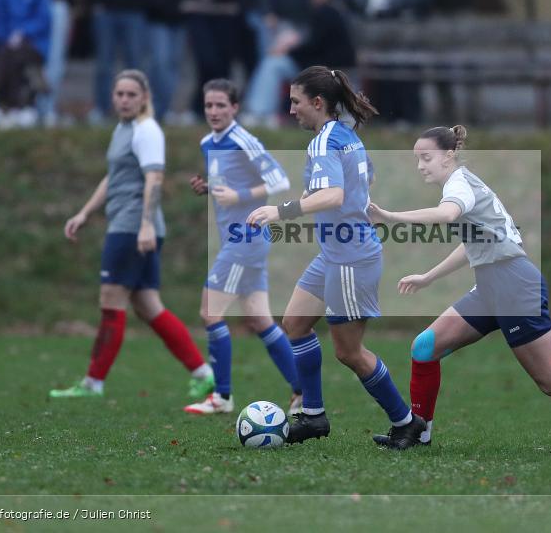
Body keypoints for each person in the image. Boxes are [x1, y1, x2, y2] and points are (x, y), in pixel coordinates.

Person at [366, 126, 551, 450]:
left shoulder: (459, 184)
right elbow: (473, 244)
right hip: (493, 286)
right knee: (424, 348)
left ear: (448, 156)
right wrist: (429, 277)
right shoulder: (462, 184)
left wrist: (390, 215)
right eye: (416, 159)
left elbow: (447, 214)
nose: (420, 165)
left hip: (512, 285)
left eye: (426, 157)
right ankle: (418, 434)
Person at [247, 66, 425, 449]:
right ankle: (313, 416)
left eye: (295, 102)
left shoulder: (324, 141)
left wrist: (280, 211)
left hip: (350, 257)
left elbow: (333, 196)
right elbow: (366, 180)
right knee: (295, 322)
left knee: (348, 351)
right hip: (336, 252)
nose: (291, 108)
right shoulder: (346, 134)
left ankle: (407, 422)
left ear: (316, 102)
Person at [50, 69, 214, 400]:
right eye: (119, 94)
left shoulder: (146, 130)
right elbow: (114, 178)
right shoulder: (122, 130)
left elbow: (154, 179)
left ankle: (93, 383)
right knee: (148, 305)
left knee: (111, 301)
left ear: (144, 98)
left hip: (132, 228)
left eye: (131, 95)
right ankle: (203, 372)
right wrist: (85, 212)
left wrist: (146, 225)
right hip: (128, 226)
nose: (124, 100)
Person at [183, 78, 302, 416]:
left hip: (245, 239)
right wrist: (209, 188)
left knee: (210, 311)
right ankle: (303, 392)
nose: (215, 111)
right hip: (238, 239)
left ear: (235, 107)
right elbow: (233, 183)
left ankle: (221, 396)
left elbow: (279, 180)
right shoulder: (209, 142)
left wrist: (239, 197)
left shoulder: (243, 140)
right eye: (209, 105)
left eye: (222, 105)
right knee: (260, 321)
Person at [242, 0, 356, 128]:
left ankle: (260, 112)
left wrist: (287, 50)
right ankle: (261, 111)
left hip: (326, 69)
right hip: (319, 65)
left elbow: (315, 47)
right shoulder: (328, 10)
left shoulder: (329, 12)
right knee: (275, 61)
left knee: (274, 64)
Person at [84, 0, 152, 123]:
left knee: (135, 63)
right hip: (105, 10)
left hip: (134, 11)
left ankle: (136, 110)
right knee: (104, 63)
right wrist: (93, 2)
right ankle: (101, 108)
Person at [183, 0, 242, 119]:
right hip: (200, 13)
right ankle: (198, 107)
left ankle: (223, 109)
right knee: (206, 62)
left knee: (223, 65)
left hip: (225, 14)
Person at [0, 0, 51, 129]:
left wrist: (22, 33)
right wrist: (7, 39)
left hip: (35, 43)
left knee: (14, 54)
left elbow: (43, 22)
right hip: (7, 45)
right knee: (10, 54)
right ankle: (16, 107)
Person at [145, 0, 190, 123]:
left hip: (178, 21)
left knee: (172, 65)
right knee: (160, 63)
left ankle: (167, 108)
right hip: (158, 20)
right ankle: (156, 107)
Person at [33, 0, 74, 127]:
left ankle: (48, 107)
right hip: (30, 4)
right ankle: (30, 107)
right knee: (32, 57)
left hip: (57, 1)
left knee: (55, 59)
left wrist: (70, 2)